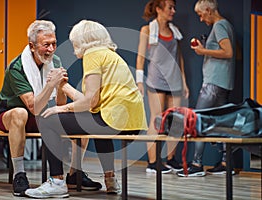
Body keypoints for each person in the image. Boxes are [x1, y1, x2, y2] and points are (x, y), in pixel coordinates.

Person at [37, 19, 148, 194]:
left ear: (81, 41)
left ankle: (56, 183)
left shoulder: (92, 55)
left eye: (74, 42)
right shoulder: (110, 55)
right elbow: (93, 103)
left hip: (112, 120)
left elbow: (90, 102)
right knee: (95, 122)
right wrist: (64, 87)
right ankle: (110, 180)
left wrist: (62, 109)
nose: (73, 47)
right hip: (133, 122)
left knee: (48, 120)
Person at [0, 20, 101, 198]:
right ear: (32, 46)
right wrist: (51, 84)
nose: (51, 49)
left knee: (78, 114)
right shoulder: (16, 67)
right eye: (46, 45)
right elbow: (32, 107)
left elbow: (59, 104)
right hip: (11, 115)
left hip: (41, 115)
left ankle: (75, 174)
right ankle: (19, 174)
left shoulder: (55, 60)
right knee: (20, 113)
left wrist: (60, 88)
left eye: (54, 44)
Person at [177, 0, 235, 177]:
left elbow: (229, 52)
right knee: (221, 123)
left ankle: (196, 164)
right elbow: (233, 53)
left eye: (201, 15)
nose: (201, 19)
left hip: (213, 83)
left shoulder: (219, 26)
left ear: (209, 10)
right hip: (223, 83)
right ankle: (226, 163)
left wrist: (203, 52)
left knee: (198, 119)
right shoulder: (227, 26)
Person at [135, 0, 189, 173]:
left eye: (174, 7)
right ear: (159, 9)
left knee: (176, 121)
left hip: (174, 81)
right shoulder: (147, 30)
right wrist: (139, 81)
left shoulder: (175, 31)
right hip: (156, 80)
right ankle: (153, 162)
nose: (173, 11)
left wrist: (184, 82)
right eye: (169, 8)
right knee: (157, 119)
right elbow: (141, 57)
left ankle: (171, 159)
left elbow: (179, 57)